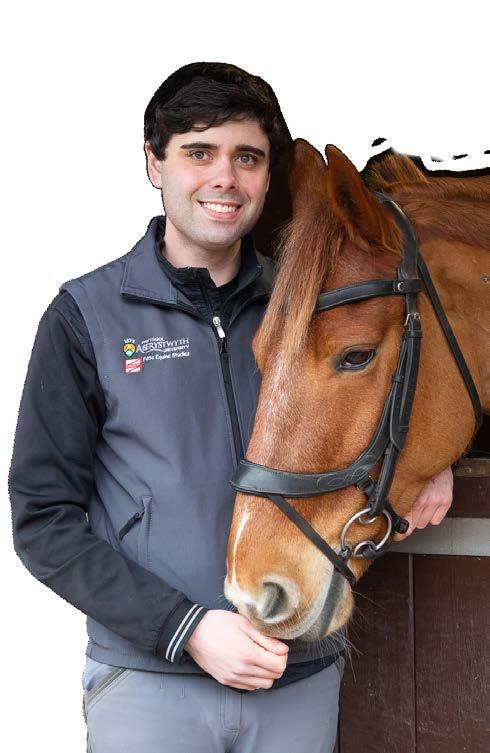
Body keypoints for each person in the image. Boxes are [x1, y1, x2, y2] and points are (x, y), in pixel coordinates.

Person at [8, 62, 454, 753]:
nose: (225, 178)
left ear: (268, 178)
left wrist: (435, 452)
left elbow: (408, 391)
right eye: (199, 153)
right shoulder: (84, 317)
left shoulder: (322, 310)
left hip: (298, 680)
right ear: (153, 163)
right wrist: (185, 628)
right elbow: (43, 520)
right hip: (151, 682)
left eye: (247, 158)